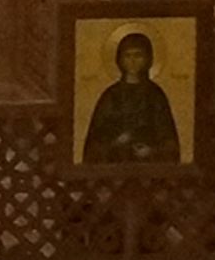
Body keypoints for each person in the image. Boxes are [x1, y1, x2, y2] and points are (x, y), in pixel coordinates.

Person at [78, 29, 182, 164]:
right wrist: (116, 143)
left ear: (148, 59)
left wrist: (151, 151)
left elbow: (168, 140)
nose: (132, 61)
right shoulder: (111, 95)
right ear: (119, 60)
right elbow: (94, 142)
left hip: (148, 169)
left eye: (138, 55)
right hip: (113, 169)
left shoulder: (155, 95)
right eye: (127, 56)